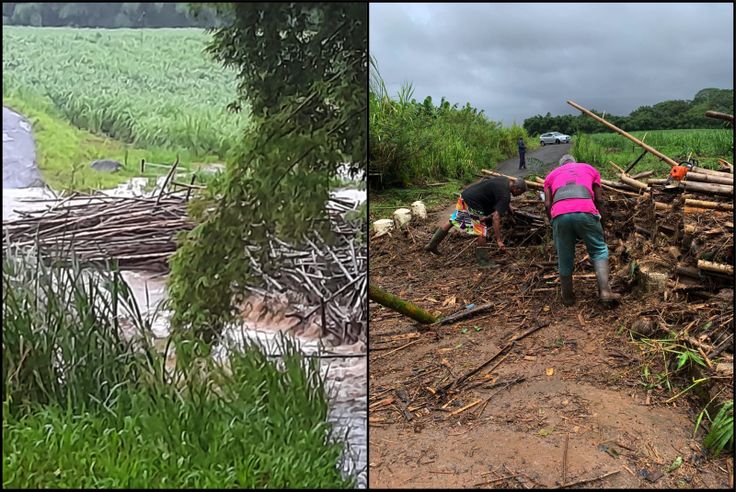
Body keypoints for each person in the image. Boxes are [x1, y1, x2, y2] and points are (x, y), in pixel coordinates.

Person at [543, 154, 620, 305]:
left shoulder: (551, 175)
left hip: (559, 212)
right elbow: (599, 199)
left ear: (561, 165)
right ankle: (605, 292)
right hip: (585, 210)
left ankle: (567, 297)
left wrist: (554, 222)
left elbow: (547, 204)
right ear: (574, 162)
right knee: (598, 249)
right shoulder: (589, 169)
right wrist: (601, 225)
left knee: (564, 255)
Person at [424, 176, 527, 266]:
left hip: (466, 195)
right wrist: (499, 240)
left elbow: (499, 194)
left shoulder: (504, 180)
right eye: (520, 193)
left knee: (454, 220)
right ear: (516, 188)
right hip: (473, 203)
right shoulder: (505, 196)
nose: (518, 195)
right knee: (482, 231)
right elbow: (496, 217)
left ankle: (431, 245)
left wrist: (508, 206)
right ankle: (483, 262)